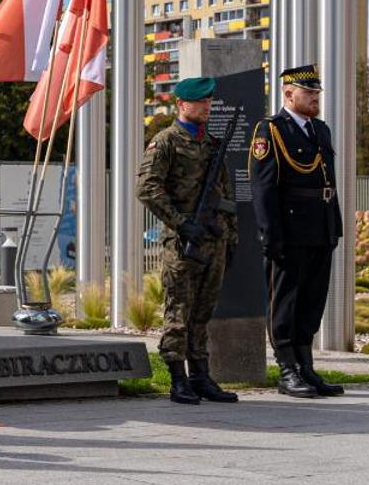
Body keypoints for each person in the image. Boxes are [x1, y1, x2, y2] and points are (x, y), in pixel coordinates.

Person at [137, 76, 238, 405]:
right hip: (182, 245)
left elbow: (226, 195)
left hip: (213, 241)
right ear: (181, 104)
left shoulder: (212, 144)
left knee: (203, 314)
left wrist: (230, 238)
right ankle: (177, 379)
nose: (207, 106)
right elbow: (147, 189)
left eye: (209, 102)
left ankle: (201, 376)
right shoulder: (166, 142)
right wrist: (181, 224)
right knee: (178, 313)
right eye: (200, 102)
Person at [249, 64, 346, 399]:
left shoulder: (321, 130)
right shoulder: (271, 130)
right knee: (286, 301)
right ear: (289, 94)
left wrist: (334, 226)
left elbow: (327, 182)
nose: (315, 99)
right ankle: (287, 369)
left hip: (320, 228)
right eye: (309, 94)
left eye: (317, 94)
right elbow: (263, 188)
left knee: (311, 300)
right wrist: (270, 235)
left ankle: (306, 366)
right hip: (289, 231)